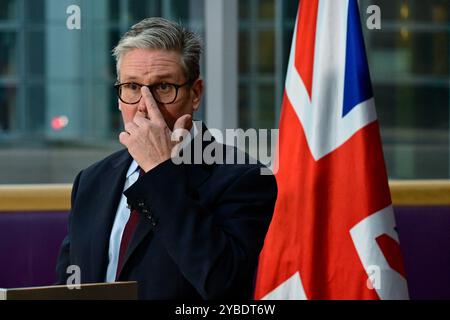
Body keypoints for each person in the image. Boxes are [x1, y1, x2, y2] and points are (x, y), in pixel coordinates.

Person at [56, 17, 277, 300]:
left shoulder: (243, 178)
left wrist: (160, 169)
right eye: (132, 87)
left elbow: (222, 287)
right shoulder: (91, 180)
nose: (145, 108)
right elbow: (67, 287)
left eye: (163, 88)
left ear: (195, 94)